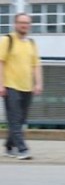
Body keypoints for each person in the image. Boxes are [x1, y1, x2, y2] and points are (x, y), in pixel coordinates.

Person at [1, 13, 43, 160]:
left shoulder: (31, 43)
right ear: (15, 24)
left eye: (27, 23)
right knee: (15, 118)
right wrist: (1, 84)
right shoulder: (8, 40)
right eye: (21, 22)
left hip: (27, 87)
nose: (24, 25)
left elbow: (36, 65)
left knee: (20, 119)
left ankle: (8, 146)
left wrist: (38, 83)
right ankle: (22, 149)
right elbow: (1, 62)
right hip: (10, 85)